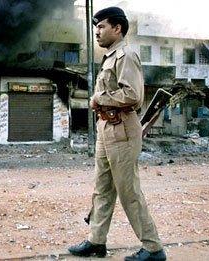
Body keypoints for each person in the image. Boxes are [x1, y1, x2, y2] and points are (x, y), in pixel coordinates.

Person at [68, 7, 166, 261]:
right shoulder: (111, 56)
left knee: (128, 191)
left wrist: (98, 97)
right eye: (96, 27)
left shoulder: (125, 55)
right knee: (102, 189)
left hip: (122, 129)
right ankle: (96, 242)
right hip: (107, 128)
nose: (97, 32)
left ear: (117, 28)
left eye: (102, 27)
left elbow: (133, 94)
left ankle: (154, 248)